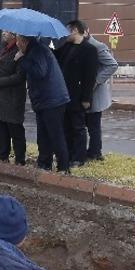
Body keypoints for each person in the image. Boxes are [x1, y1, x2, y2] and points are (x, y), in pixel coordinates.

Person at [15, 35, 71, 172]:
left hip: (52, 99)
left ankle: (63, 167)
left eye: (18, 41)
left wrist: (21, 59)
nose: (17, 44)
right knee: (43, 135)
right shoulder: (34, 50)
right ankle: (44, 163)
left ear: (24, 41)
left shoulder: (38, 50)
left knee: (55, 134)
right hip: (45, 100)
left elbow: (40, 72)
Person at [54, 21, 99, 167]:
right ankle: (68, 154)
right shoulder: (66, 47)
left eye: (67, 31)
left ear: (74, 30)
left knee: (78, 127)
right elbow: (55, 56)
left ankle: (79, 157)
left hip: (78, 96)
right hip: (64, 95)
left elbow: (90, 76)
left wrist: (87, 98)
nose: (64, 34)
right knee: (65, 126)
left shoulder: (89, 49)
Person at [0, 31, 27, 165]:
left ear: (14, 34)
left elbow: (20, 76)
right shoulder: (2, 46)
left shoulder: (20, 51)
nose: (3, 33)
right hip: (0, 96)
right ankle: (3, 156)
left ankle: (20, 160)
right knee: (1, 129)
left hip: (13, 96)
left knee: (15, 129)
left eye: (6, 31)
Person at [85, 32, 119, 161]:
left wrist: (96, 80)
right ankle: (91, 151)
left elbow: (112, 65)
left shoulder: (97, 46)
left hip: (95, 94)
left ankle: (95, 153)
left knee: (93, 126)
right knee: (87, 125)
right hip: (85, 93)